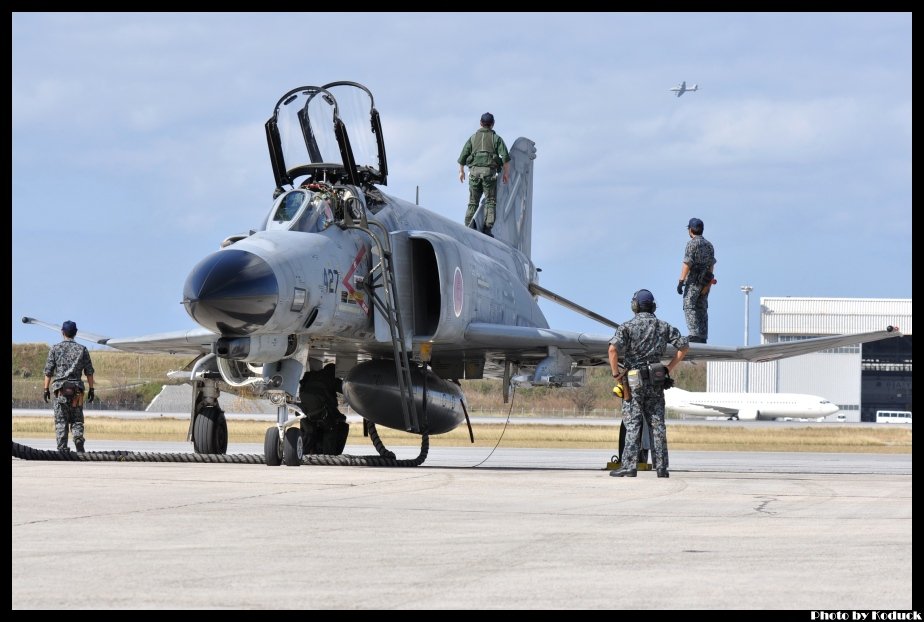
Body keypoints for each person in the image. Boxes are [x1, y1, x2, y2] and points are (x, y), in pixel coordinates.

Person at [608, 290, 689, 478]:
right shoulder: (663, 327)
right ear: (653, 306)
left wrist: (616, 375)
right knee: (657, 424)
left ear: (635, 306)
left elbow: (612, 350)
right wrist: (669, 368)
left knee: (633, 423)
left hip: (634, 381)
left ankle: (629, 466)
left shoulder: (627, 327)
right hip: (656, 379)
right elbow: (684, 347)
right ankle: (662, 467)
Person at [43, 320, 96, 453]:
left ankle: (62, 448)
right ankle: (78, 438)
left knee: (61, 421)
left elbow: (48, 371)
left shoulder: (55, 348)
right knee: (77, 420)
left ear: (62, 332)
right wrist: (91, 389)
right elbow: (89, 372)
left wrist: (45, 389)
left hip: (60, 391)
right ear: (75, 333)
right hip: (76, 391)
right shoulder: (82, 349)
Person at [457, 112, 511, 237]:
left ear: (481, 123)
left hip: (474, 175)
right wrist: (506, 173)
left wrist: (461, 171)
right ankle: (487, 229)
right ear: (492, 124)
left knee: (473, 202)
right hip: (489, 175)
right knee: (490, 201)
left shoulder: (473, 138)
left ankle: (468, 226)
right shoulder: (496, 139)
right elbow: (505, 158)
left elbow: (462, 157)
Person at [676, 217, 716, 343]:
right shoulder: (709, 245)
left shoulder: (691, 244)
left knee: (689, 306)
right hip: (705, 280)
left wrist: (681, 281)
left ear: (691, 230)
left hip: (693, 281)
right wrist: (707, 284)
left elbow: (687, 263)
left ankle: (694, 334)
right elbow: (711, 266)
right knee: (702, 307)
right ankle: (703, 335)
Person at [298, 361, 349, 455]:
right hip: (321, 412)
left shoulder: (308, 376)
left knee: (309, 431)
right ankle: (328, 455)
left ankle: (303, 453)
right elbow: (346, 389)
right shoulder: (331, 377)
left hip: (303, 411)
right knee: (332, 427)